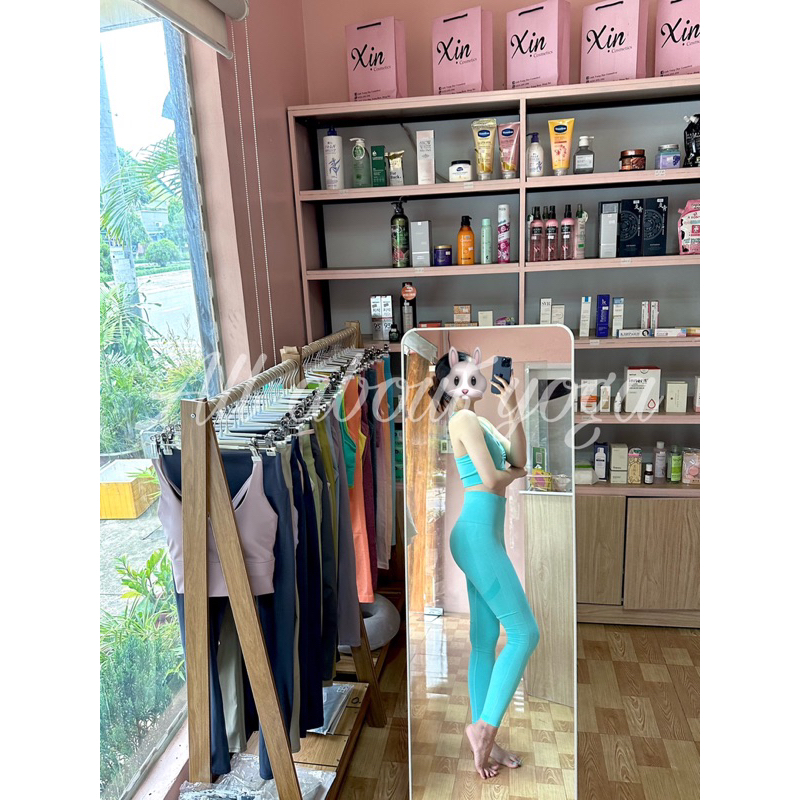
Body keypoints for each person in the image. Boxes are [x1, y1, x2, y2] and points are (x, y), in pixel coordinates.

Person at [428, 346, 540, 780]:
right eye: (455, 378)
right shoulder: (461, 420)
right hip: (476, 537)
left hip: (481, 536)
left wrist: (512, 408)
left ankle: (483, 743)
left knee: (485, 638)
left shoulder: (483, 422)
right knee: (525, 633)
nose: (466, 383)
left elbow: (520, 458)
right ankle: (486, 730)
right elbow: (495, 478)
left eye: (469, 374)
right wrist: (515, 475)